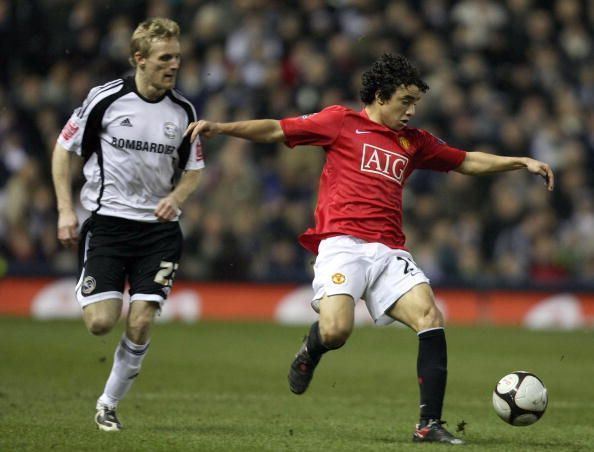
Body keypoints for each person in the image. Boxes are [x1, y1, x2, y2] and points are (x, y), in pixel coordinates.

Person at [185, 53, 554, 444]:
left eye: (415, 103)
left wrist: (520, 162)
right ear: (380, 96)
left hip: (390, 250)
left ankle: (429, 424)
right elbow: (277, 129)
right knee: (337, 330)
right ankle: (312, 347)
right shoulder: (340, 122)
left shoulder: (414, 142)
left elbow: (466, 161)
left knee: (430, 316)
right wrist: (222, 127)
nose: (411, 110)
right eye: (405, 101)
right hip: (342, 244)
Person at [52, 18, 204, 431]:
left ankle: (108, 404)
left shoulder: (184, 111)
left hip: (158, 233)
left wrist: (176, 198)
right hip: (108, 225)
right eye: (164, 58)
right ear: (139, 58)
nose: (173, 65)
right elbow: (63, 150)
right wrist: (66, 210)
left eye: (177, 57)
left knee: (139, 320)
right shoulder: (106, 99)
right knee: (102, 322)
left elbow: (193, 169)